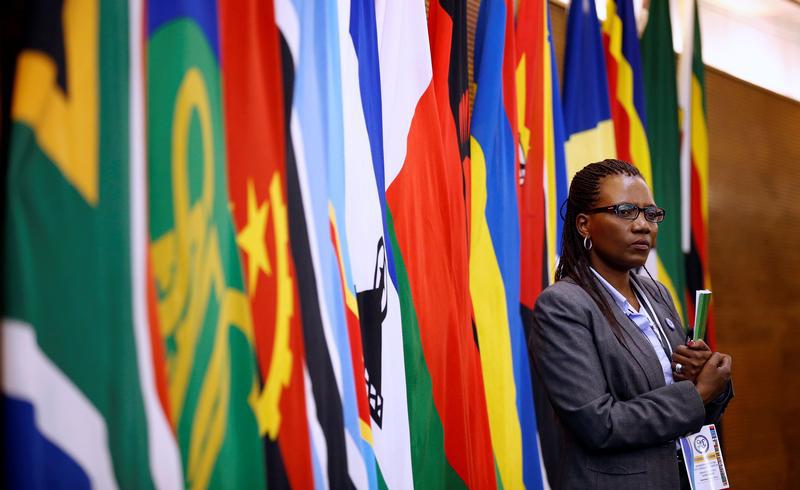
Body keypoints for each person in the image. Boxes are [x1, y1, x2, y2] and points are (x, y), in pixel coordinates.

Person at [529, 159, 733, 490]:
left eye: (651, 214)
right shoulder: (563, 306)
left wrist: (704, 373)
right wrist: (697, 394)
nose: (644, 226)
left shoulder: (656, 293)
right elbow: (599, 424)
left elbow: (685, 400)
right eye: (626, 211)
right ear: (584, 224)